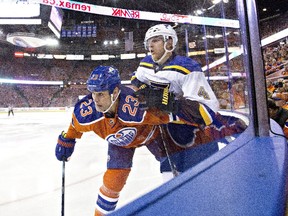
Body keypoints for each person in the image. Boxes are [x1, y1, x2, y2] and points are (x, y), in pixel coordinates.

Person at [56, 65, 236, 216]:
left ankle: (191, 202)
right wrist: (66, 141)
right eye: (93, 93)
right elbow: (73, 128)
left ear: (115, 92)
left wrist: (212, 122)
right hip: (120, 143)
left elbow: (182, 114)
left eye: (101, 94)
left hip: (152, 135)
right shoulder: (85, 114)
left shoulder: (139, 108)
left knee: (175, 168)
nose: (95, 100)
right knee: (114, 181)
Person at [131, 23, 246, 150]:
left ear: (169, 42)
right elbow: (136, 79)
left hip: (192, 135)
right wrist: (145, 90)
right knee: (170, 168)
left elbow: (206, 112)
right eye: (148, 42)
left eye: (155, 40)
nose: (150, 45)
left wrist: (165, 100)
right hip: (164, 132)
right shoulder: (145, 63)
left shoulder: (188, 67)